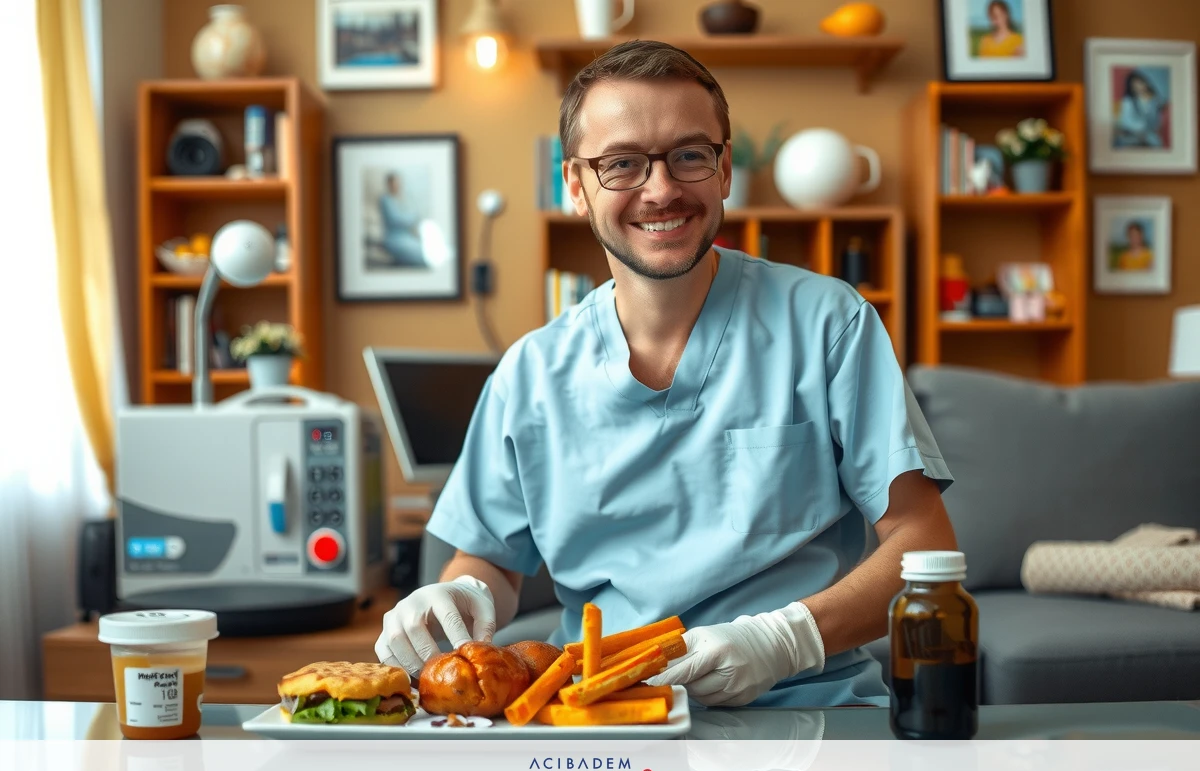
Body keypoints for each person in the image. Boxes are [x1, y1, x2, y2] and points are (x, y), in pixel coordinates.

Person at [375, 40, 958, 708]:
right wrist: (460, 595)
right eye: (621, 163)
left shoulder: (829, 323)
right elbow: (492, 561)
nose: (661, 189)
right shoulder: (529, 375)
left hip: (807, 707)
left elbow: (924, 545)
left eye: (689, 155)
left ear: (724, 169)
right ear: (574, 186)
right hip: (603, 721)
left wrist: (787, 639)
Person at [378, 172, 426, 266]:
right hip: (394, 238)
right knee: (419, 255)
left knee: (423, 249)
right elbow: (395, 220)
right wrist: (414, 217)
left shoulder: (398, 200)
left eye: (398, 183)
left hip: (405, 236)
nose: (397, 186)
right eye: (394, 183)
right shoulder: (385, 200)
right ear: (389, 184)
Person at [1115, 70, 1165, 149]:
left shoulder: (1154, 101)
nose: (1139, 87)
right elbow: (1126, 121)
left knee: (1156, 143)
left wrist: (1151, 104)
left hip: (1149, 135)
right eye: (1135, 85)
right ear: (1131, 87)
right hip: (1131, 135)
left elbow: (1156, 123)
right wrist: (1142, 128)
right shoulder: (1128, 101)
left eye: (1140, 83)